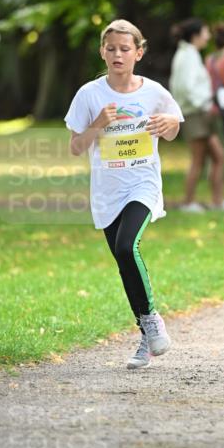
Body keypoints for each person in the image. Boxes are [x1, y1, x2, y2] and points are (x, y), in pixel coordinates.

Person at [65, 19, 183, 371]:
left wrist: (169, 126)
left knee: (126, 246)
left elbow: (174, 127)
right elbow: (75, 147)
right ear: (102, 51)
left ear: (139, 53)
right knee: (123, 261)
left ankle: (152, 322)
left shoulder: (154, 92)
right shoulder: (90, 94)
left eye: (125, 49)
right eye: (111, 48)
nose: (118, 54)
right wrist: (98, 124)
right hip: (107, 189)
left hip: (142, 184)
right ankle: (146, 337)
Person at [169, 18, 224, 213]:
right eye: (205, 32)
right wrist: (203, 104)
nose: (208, 37)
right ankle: (188, 203)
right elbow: (185, 87)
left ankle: (217, 202)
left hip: (202, 112)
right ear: (195, 36)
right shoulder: (187, 56)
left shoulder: (191, 54)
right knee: (199, 159)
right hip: (195, 114)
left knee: (218, 157)